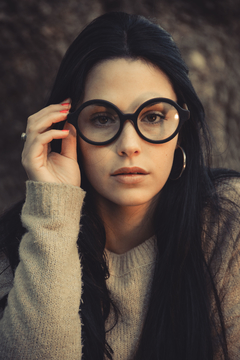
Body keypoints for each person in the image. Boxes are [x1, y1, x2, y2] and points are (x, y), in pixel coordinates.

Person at [0, 11, 239, 360]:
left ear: (181, 129)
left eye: (153, 116)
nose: (129, 144)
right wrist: (53, 213)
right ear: (66, 128)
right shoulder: (18, 247)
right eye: (102, 118)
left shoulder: (228, 221)